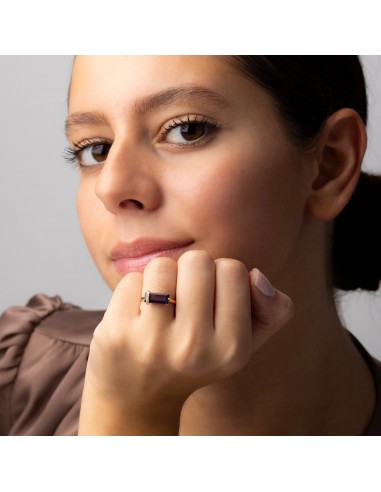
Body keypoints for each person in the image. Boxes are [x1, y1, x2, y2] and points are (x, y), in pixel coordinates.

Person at [0, 56, 380, 436]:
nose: (111, 187)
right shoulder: (20, 375)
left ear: (331, 164)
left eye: (187, 130)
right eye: (96, 149)